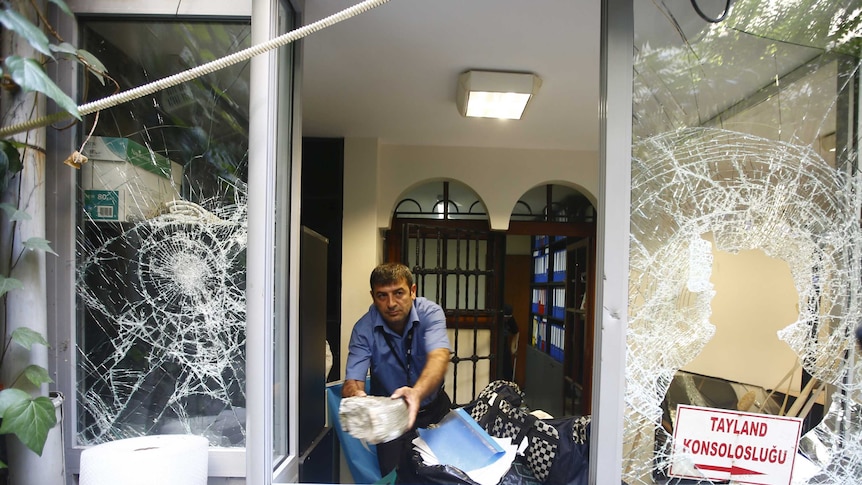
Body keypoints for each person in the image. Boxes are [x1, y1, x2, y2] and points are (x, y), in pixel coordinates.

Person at [342, 262, 452, 480]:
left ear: (412, 291)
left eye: (398, 293)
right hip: (391, 418)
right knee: (395, 478)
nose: (391, 303)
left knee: (444, 476)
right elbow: (352, 382)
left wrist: (416, 393)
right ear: (373, 297)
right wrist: (360, 399)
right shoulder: (363, 329)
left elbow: (439, 356)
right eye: (382, 296)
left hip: (434, 409)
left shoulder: (430, 313)